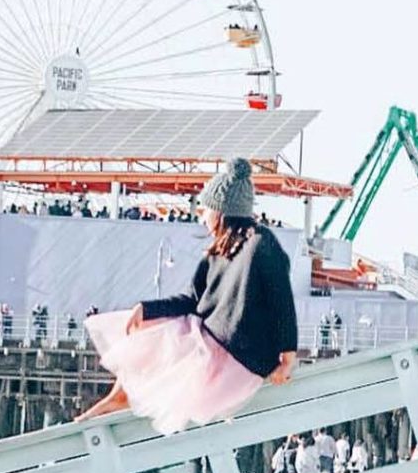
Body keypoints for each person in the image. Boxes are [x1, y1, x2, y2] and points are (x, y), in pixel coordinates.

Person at [77, 157, 298, 434]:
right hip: (220, 346)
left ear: (220, 211)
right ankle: (119, 396)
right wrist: (147, 309)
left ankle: (122, 397)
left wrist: (287, 356)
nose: (201, 216)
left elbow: (281, 299)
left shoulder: (260, 244)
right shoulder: (222, 250)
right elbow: (193, 300)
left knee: (168, 334)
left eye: (204, 210)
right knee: (156, 326)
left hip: (240, 357)